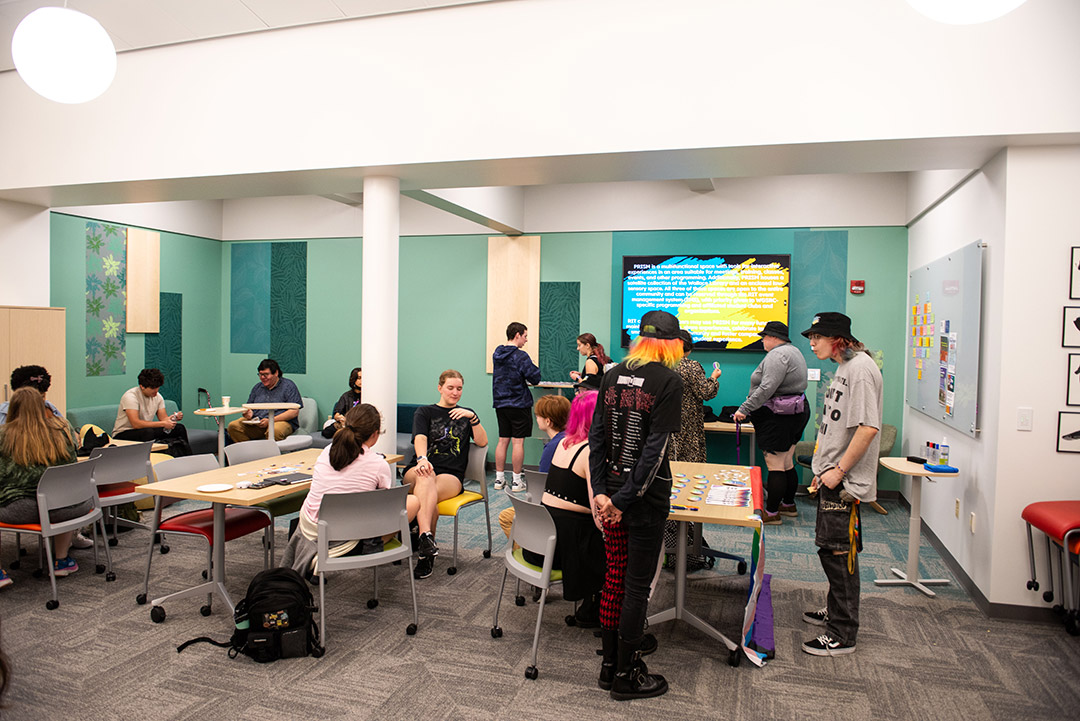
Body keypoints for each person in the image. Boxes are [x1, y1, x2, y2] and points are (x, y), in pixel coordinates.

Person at [589, 310, 684, 701]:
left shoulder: (611, 373)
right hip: (641, 502)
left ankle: (609, 665)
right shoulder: (669, 380)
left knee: (614, 579)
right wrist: (623, 500)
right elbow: (653, 452)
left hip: (608, 494)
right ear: (673, 343)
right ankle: (627, 676)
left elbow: (595, 436)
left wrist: (601, 494)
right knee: (636, 586)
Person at [800, 312, 882, 657]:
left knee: (839, 553)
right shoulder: (847, 367)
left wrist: (838, 471)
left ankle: (843, 631)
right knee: (831, 548)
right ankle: (836, 611)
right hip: (832, 473)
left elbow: (868, 428)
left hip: (844, 480)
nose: (812, 343)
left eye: (817, 337)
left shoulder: (860, 370)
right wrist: (823, 467)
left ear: (838, 339)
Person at [297, 403, 419, 565]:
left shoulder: (327, 451)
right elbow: (385, 505)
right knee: (412, 502)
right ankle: (370, 549)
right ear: (375, 434)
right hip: (349, 537)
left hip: (311, 528)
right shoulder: (377, 464)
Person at [525, 389, 605, 627]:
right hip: (566, 551)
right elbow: (598, 515)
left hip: (540, 542)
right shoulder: (590, 451)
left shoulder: (563, 443)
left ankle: (592, 605)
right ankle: (605, 612)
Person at [402, 370, 488, 579]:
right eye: (450, 387)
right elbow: (420, 438)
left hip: (451, 475)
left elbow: (482, 442)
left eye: (459, 388)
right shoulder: (425, 412)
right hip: (419, 468)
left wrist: (473, 417)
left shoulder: (467, 415)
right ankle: (426, 541)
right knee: (426, 476)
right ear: (440, 387)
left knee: (426, 491)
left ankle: (424, 542)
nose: (455, 392)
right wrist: (423, 458)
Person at [0, 387, 88, 585]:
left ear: (12, 409)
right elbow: (71, 469)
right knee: (62, 493)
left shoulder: (3, 436)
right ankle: (62, 560)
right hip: (67, 507)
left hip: (20, 509)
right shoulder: (61, 432)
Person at [732, 321, 810, 524]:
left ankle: (772, 513)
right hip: (795, 411)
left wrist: (744, 409)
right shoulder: (793, 351)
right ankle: (788, 504)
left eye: (764, 337)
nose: (762, 341)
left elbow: (766, 387)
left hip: (778, 416)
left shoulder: (777, 355)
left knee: (775, 464)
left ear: (774, 337)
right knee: (786, 462)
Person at [497, 393, 571, 540]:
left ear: (548, 421)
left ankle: (532, 552)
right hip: (566, 506)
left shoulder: (552, 447)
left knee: (506, 517)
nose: (536, 418)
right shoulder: (569, 439)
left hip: (553, 509)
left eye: (538, 416)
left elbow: (542, 487)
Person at [492, 322, 541, 493]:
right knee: (518, 442)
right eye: (525, 336)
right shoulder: (521, 356)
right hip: (519, 404)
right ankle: (516, 481)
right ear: (517, 335)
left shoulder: (497, 353)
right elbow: (535, 378)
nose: (526, 340)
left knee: (502, 440)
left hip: (500, 403)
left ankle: (498, 479)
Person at [111, 368, 192, 456]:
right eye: (153, 388)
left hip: (145, 431)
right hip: (124, 433)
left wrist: (173, 418)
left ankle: (187, 458)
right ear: (142, 386)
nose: (156, 391)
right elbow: (136, 424)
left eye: (158, 387)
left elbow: (163, 419)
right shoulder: (130, 397)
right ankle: (154, 461)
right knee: (148, 432)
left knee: (179, 428)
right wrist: (163, 424)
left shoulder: (158, 397)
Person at [670, 329, 721, 463]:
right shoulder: (691, 367)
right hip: (687, 424)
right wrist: (714, 378)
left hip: (663, 423)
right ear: (688, 347)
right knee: (689, 465)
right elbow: (706, 392)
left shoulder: (660, 365)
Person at [227, 359, 303, 443]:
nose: (263, 378)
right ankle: (252, 453)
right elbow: (249, 407)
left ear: (276, 373)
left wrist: (271, 420)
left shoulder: (288, 386)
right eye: (260, 374)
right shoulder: (257, 387)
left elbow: (294, 412)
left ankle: (272, 455)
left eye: (266, 374)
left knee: (274, 431)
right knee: (233, 426)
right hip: (257, 422)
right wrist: (249, 414)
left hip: (280, 421)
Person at [322, 367, 363, 439]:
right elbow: (337, 413)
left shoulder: (368, 395)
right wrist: (340, 418)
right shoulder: (346, 396)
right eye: (359, 378)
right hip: (345, 423)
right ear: (354, 379)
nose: (361, 381)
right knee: (327, 432)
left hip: (359, 425)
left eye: (363, 378)